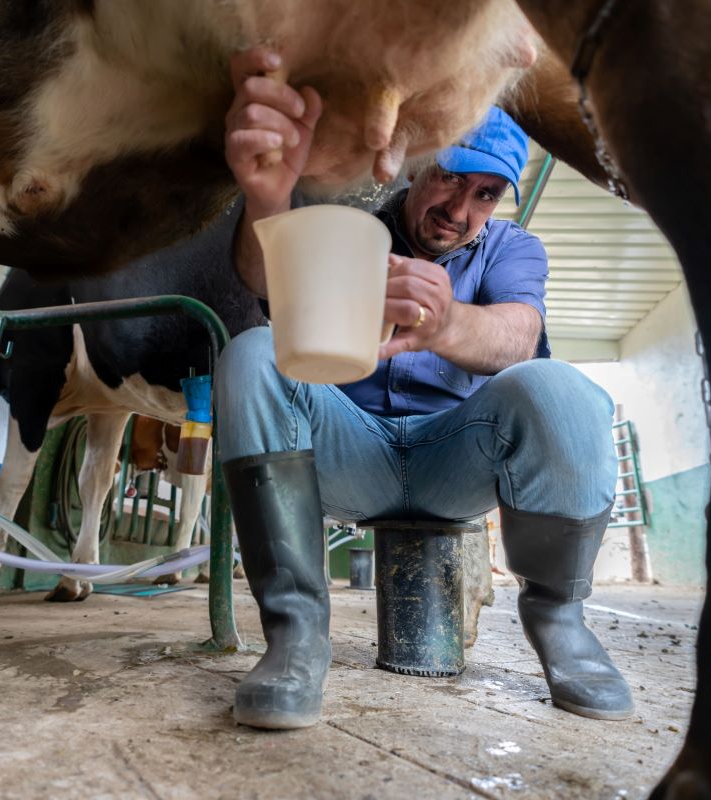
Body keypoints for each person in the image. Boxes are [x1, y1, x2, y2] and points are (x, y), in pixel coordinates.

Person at [216, 49, 630, 730]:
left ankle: (560, 620)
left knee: (558, 387)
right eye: (449, 176)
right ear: (415, 166)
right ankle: (295, 634)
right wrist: (266, 197)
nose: (459, 209)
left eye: (486, 194)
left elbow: (518, 337)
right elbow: (268, 285)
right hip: (348, 453)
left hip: (455, 458)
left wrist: (447, 323)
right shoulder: (356, 229)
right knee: (252, 353)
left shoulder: (512, 250)